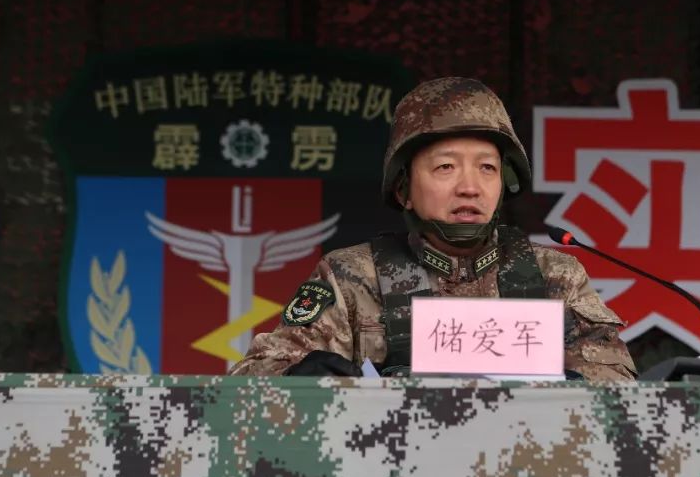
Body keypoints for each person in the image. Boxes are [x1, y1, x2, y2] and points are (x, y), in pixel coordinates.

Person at [229, 77, 637, 381]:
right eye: (445, 167)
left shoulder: (554, 276)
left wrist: (573, 385)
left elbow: (619, 385)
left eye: (487, 167)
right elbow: (253, 377)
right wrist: (301, 377)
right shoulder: (353, 277)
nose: (470, 187)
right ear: (404, 189)